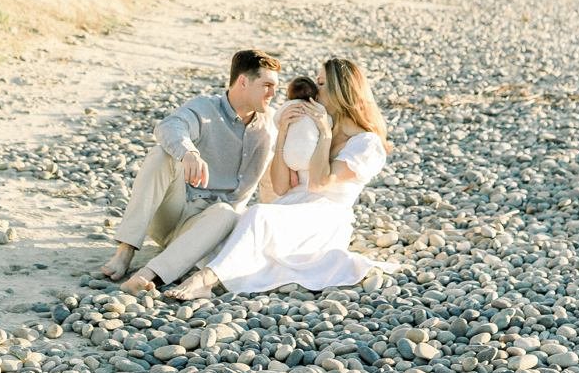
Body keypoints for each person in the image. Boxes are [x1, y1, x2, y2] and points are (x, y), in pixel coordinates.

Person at [106, 53, 283, 293]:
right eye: (267, 86)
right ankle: (125, 249)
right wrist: (189, 153)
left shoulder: (272, 125)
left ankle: (151, 275)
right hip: (173, 212)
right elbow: (169, 126)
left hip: (208, 228)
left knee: (227, 213)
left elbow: (271, 183)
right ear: (243, 82)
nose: (273, 93)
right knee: (161, 155)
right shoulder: (205, 107)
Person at [210, 57, 386, 296]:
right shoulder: (309, 131)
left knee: (259, 215)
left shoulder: (367, 144)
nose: (313, 89)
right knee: (236, 224)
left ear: (341, 90)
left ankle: (205, 280)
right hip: (291, 206)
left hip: (325, 217)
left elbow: (318, 183)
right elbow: (281, 187)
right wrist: (284, 130)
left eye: (322, 84)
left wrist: (325, 134)